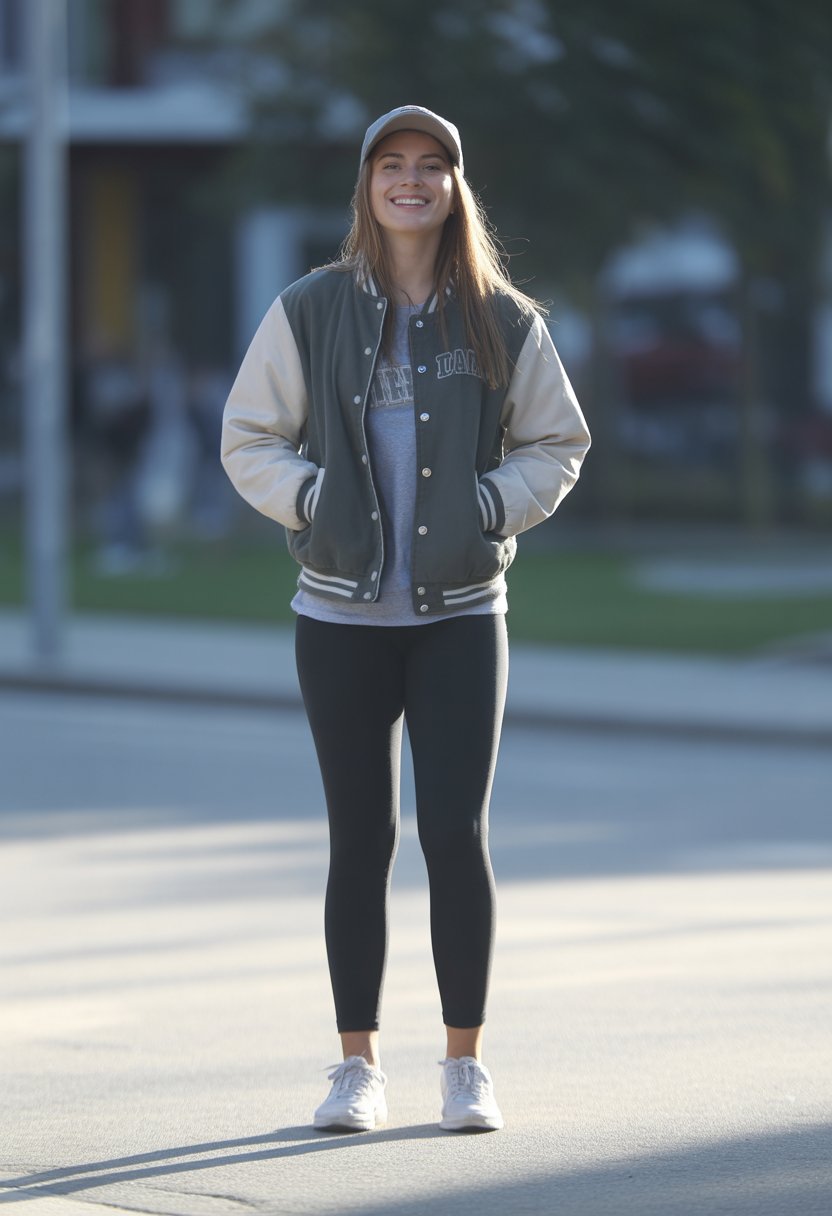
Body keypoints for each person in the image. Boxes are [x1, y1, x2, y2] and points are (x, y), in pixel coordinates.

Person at [221, 105, 591, 1133]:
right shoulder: (309, 309)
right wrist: (309, 500)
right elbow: (248, 436)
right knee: (360, 839)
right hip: (338, 618)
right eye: (393, 164)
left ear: (454, 188)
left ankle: (465, 1067)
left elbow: (557, 442)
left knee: (456, 836)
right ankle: (357, 1069)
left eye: (432, 166)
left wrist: (489, 508)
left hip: (461, 616)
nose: (412, 181)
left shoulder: (501, 319)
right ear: (368, 186)